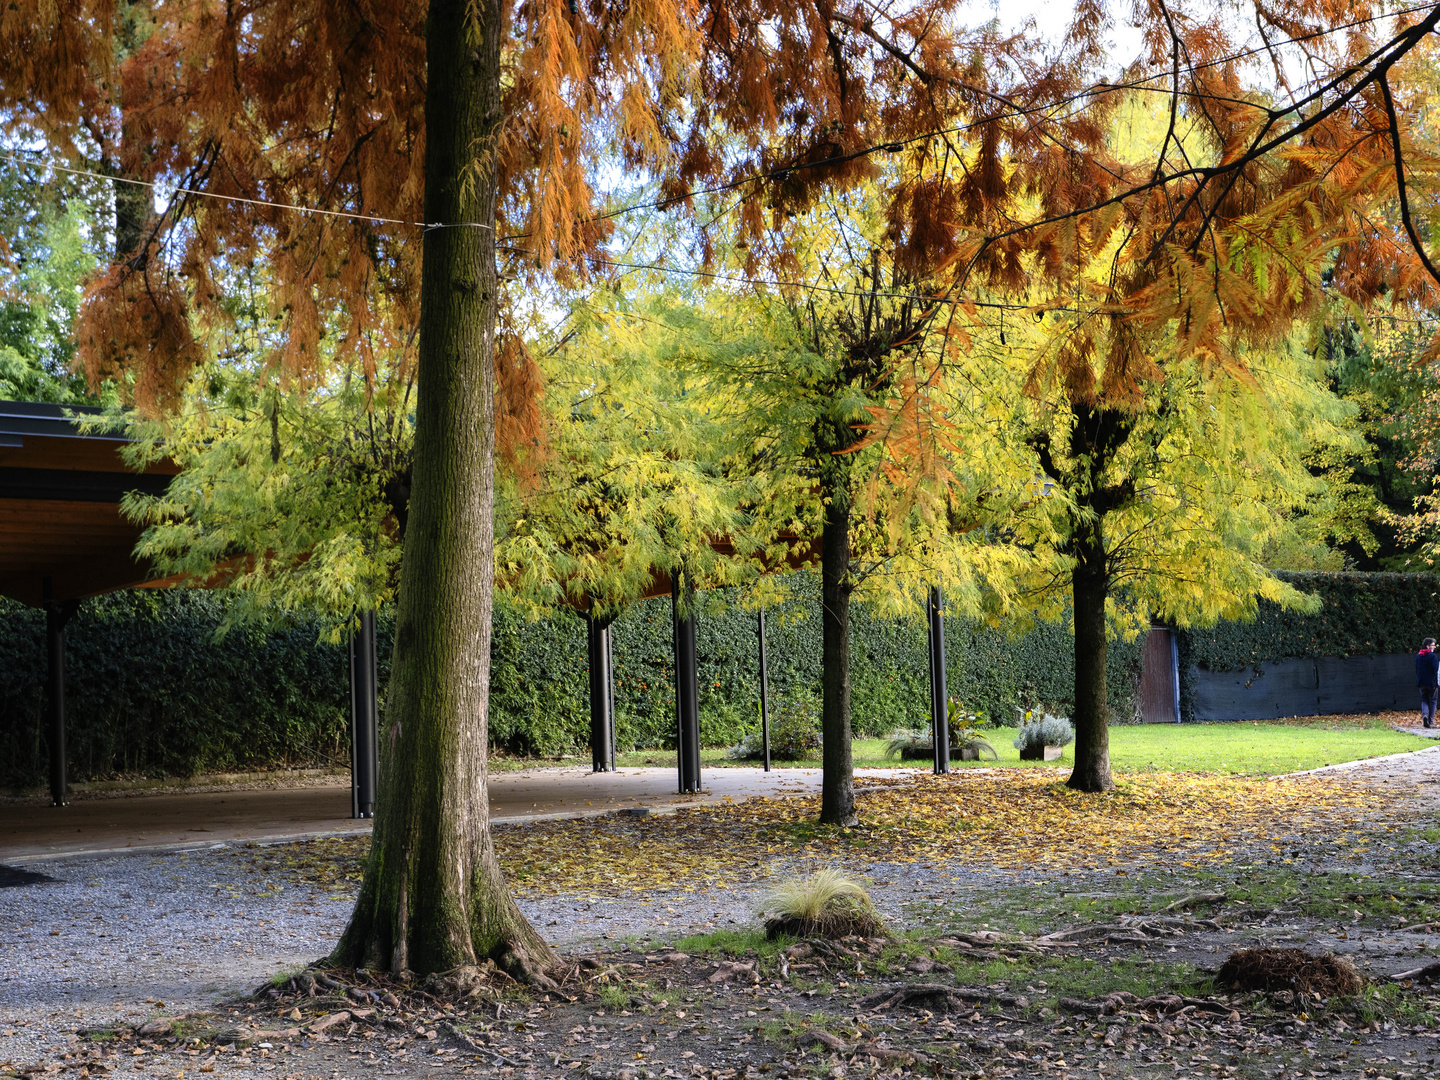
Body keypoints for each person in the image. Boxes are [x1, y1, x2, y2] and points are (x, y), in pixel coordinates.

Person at [1417, 638, 1439, 728]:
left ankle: (1424, 716)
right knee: (1433, 701)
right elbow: (1436, 669)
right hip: (1432, 683)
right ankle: (1430, 721)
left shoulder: (1418, 656)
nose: (1434, 647)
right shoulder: (1433, 656)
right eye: (1433, 645)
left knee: (1424, 700)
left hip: (1422, 682)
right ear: (1428, 646)